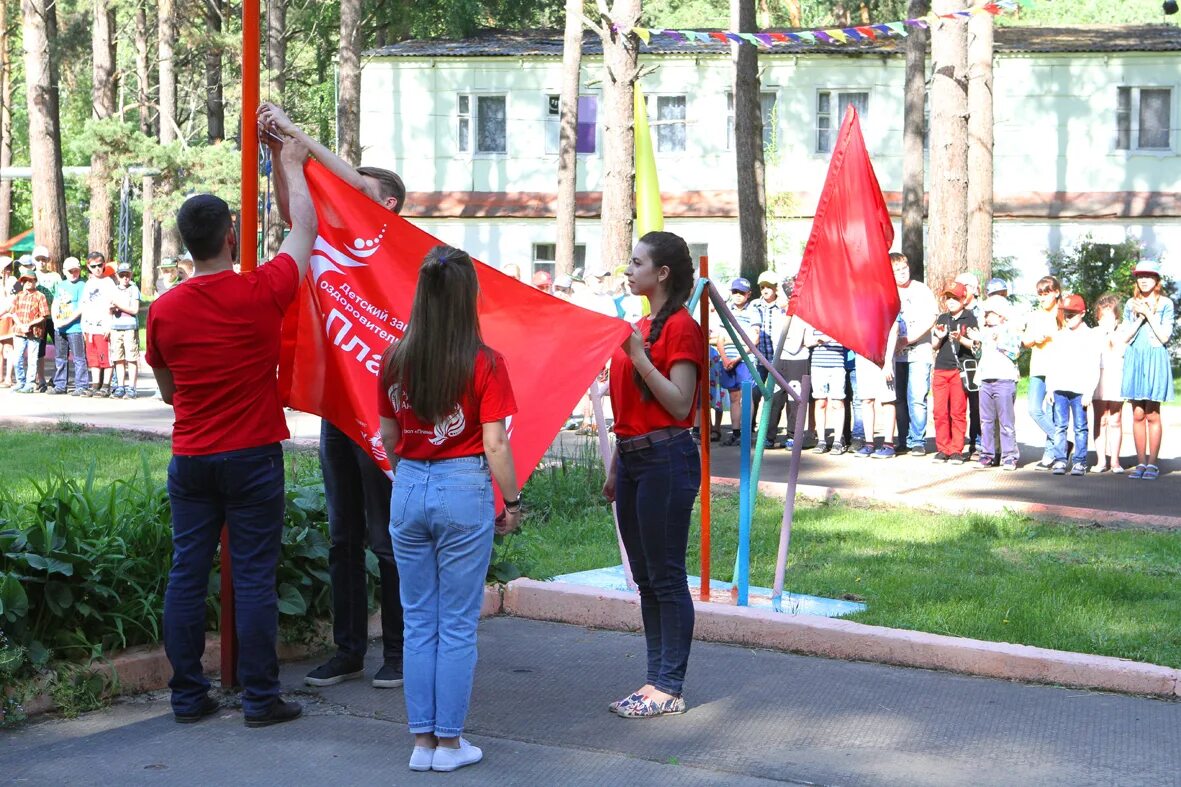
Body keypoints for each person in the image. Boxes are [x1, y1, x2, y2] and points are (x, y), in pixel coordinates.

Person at [147, 135, 316, 728]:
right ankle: (261, 698)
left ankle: (188, 698)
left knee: (187, 574)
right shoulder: (261, 289)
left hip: (191, 457)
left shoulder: (164, 310)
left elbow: (169, 391)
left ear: (185, 244)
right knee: (252, 578)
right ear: (230, 236)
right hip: (252, 456)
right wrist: (291, 163)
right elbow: (306, 232)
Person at [258, 101, 409, 692]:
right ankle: (348, 649)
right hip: (338, 412)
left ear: (386, 203)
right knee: (344, 536)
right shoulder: (330, 238)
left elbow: (344, 179)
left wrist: (298, 135)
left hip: (384, 416)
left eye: (357, 187)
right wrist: (278, 152)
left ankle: (394, 653)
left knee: (386, 538)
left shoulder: (396, 243)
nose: (343, 191)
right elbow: (292, 208)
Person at [377, 244, 520, 772]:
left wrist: (415, 467)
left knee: (419, 622)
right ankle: (450, 743)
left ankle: (421, 744)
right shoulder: (485, 362)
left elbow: (388, 436)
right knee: (457, 623)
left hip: (409, 485)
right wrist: (513, 500)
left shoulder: (395, 358)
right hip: (464, 487)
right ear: (468, 298)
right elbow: (495, 445)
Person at [603, 230, 701, 719]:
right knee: (645, 578)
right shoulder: (643, 324)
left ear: (662, 273)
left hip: (667, 459)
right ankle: (653, 682)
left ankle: (669, 686)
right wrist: (618, 466)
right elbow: (630, 409)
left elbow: (681, 404)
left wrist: (638, 356)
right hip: (637, 461)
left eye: (637, 261)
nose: (629, 267)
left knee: (665, 577)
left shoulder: (680, 327)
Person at [1120, 260, 1174, 480]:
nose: (1143, 280)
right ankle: (1140, 462)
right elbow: (1124, 337)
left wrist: (1150, 315)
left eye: (1148, 276)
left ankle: (1153, 463)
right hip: (1135, 358)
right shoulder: (1130, 304)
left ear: (1156, 280)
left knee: (1152, 412)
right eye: (1140, 276)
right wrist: (1139, 317)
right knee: (1137, 412)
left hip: (1154, 357)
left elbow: (1164, 337)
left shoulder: (1166, 304)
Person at [1046, 294, 1099, 476]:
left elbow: (1093, 365)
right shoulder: (1059, 336)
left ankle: (1079, 461)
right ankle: (1060, 459)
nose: (1068, 318)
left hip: (1080, 390)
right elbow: (1051, 363)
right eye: (1066, 314)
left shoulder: (1090, 336)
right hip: (1060, 388)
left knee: (1080, 427)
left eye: (1072, 314)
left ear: (1082, 313)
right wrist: (1049, 388)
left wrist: (1089, 391)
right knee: (1060, 426)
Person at [891, 252, 937, 456]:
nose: (902, 273)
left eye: (904, 268)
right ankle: (903, 439)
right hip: (896, 355)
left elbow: (931, 319)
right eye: (897, 271)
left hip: (919, 351)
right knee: (898, 398)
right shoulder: (888, 291)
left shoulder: (921, 290)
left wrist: (907, 340)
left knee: (917, 396)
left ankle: (918, 439)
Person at [969, 295, 1021, 470]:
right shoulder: (984, 331)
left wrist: (995, 340)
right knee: (986, 420)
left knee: (1006, 421)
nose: (986, 317)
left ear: (1000, 315)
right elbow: (978, 355)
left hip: (1004, 379)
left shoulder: (1010, 330)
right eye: (985, 314)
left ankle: (1009, 456)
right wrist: (977, 342)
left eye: (990, 313)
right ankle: (988, 454)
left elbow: (1015, 353)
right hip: (985, 379)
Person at [930, 282, 978, 464]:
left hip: (959, 369)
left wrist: (962, 338)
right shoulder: (942, 318)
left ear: (963, 299)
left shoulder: (970, 318)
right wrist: (938, 336)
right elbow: (934, 346)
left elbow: (975, 345)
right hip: (941, 368)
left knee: (957, 411)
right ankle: (943, 448)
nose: (950, 302)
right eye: (947, 298)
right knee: (940, 411)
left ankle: (956, 450)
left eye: (955, 298)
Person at [1022, 275, 1063, 470]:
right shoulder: (1035, 315)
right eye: (1040, 294)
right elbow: (1025, 341)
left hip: (1056, 368)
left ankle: (1049, 455)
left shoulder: (1062, 313)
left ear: (1056, 293)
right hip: (1037, 369)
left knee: (1051, 412)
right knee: (1033, 409)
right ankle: (1061, 440)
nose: (1042, 298)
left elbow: (1067, 340)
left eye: (1046, 294)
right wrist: (1035, 339)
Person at [767, 276, 810, 449]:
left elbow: (794, 345)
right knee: (775, 398)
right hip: (779, 361)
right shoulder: (777, 315)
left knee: (795, 400)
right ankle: (769, 436)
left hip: (798, 360)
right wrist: (787, 341)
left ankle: (793, 435)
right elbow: (774, 339)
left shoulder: (803, 317)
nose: (786, 299)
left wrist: (788, 341)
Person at [717, 277, 761, 446]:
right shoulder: (726, 310)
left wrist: (737, 358)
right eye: (735, 292)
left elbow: (753, 340)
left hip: (745, 360)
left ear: (748, 294)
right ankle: (735, 433)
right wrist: (725, 357)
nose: (737, 295)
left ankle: (746, 433)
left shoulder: (753, 312)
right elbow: (721, 338)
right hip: (727, 360)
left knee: (746, 396)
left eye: (741, 293)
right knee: (734, 397)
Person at [852, 317, 901, 458]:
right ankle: (869, 443)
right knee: (866, 399)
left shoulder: (887, 298)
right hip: (863, 355)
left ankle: (888, 444)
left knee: (887, 400)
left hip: (883, 355)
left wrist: (888, 362)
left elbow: (894, 329)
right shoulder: (858, 303)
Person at [1090, 293, 1126, 474]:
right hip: (1099, 379)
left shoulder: (1122, 333)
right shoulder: (1094, 334)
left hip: (1116, 378)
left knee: (1116, 419)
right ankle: (1101, 460)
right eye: (1102, 317)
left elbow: (1123, 353)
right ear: (1098, 318)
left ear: (1117, 317)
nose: (1106, 320)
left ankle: (1115, 461)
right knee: (1100, 419)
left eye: (1110, 316)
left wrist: (1113, 334)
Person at [80, 252, 118, 397]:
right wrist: (84, 324)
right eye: (93, 266)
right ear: (88, 267)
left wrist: (109, 324)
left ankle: (106, 385)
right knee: (93, 356)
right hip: (90, 326)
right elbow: (84, 304)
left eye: (100, 265)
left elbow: (112, 305)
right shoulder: (89, 283)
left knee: (105, 356)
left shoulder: (108, 282)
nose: (97, 268)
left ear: (104, 265)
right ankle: (95, 384)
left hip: (103, 325)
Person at [806, 324, 848, 454]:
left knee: (837, 402)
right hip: (818, 365)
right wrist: (819, 340)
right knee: (820, 403)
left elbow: (849, 340)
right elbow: (807, 342)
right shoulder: (812, 321)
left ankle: (837, 441)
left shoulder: (842, 321)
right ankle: (821, 440)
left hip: (837, 365)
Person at [955, 272, 983, 457]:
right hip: (956, 362)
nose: (960, 289)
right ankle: (955, 444)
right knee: (957, 406)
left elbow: (980, 341)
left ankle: (978, 443)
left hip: (976, 362)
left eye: (964, 285)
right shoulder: (954, 309)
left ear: (973, 289)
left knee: (976, 406)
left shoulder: (981, 311)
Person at [51, 257, 88, 396]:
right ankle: (60, 384)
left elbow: (81, 308)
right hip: (59, 327)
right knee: (60, 357)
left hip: (75, 328)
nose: (73, 273)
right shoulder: (61, 285)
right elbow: (55, 303)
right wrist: (55, 319)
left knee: (78, 358)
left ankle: (82, 385)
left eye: (76, 270)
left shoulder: (82, 285)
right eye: (70, 271)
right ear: (64, 271)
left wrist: (66, 321)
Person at [9, 272, 49, 393]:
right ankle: (20, 381)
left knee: (32, 359)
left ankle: (29, 383)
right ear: (22, 282)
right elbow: (13, 312)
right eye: (25, 281)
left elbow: (44, 315)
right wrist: (21, 325)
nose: (28, 283)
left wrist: (30, 324)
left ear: (35, 282)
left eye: (30, 280)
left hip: (34, 332)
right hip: (19, 332)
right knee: (17, 358)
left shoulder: (40, 296)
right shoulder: (19, 295)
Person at [110, 262, 142, 399]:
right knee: (118, 358)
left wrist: (119, 305)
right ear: (117, 276)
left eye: (127, 275)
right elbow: (110, 308)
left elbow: (134, 309)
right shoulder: (114, 290)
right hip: (116, 327)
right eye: (122, 275)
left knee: (131, 358)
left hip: (129, 327)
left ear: (131, 275)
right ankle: (120, 386)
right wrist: (113, 308)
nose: (125, 278)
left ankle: (132, 388)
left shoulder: (133, 289)